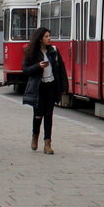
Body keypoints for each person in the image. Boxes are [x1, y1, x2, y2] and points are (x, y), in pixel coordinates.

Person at [22, 27, 68, 155]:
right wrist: (38, 66)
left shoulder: (53, 51)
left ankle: (47, 143)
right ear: (40, 39)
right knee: (38, 114)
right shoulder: (32, 52)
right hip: (39, 87)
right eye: (46, 36)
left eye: (49, 36)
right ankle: (35, 135)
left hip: (51, 85)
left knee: (49, 114)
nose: (49, 39)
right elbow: (25, 69)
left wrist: (64, 86)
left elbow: (61, 69)